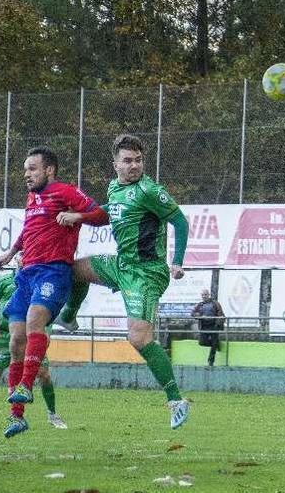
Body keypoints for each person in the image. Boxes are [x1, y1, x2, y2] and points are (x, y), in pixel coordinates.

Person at [52, 134, 191, 430]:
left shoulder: (150, 190)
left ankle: (176, 400)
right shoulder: (115, 188)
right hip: (121, 264)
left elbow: (180, 221)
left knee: (139, 337)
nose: (134, 165)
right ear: (115, 164)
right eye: (127, 160)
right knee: (75, 269)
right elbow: (107, 214)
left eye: (138, 160)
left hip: (146, 272)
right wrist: (80, 216)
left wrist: (177, 261)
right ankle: (69, 317)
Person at [0, 146, 108, 438]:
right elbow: (28, 229)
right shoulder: (32, 198)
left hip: (54, 271)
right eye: (25, 170)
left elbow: (101, 214)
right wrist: (10, 253)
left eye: (32, 169)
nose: (27, 175)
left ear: (49, 170)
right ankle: (16, 417)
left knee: (34, 321)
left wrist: (76, 218)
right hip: (27, 273)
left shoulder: (65, 191)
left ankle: (25, 386)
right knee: (15, 340)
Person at [0, 259, 67, 429]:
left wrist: (47, 331)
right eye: (21, 254)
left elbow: (45, 311)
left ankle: (52, 415)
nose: (24, 257)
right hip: (5, 335)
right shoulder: (4, 282)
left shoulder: (41, 279)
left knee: (44, 374)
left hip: (31, 336)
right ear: (16, 260)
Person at [191, 288, 224, 367]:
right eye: (202, 295)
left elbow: (221, 314)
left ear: (209, 295)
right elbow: (193, 313)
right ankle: (216, 344)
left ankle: (211, 361)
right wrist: (201, 316)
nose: (204, 296)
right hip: (204, 326)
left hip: (214, 326)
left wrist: (218, 323)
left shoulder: (215, 303)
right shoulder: (200, 305)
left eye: (205, 295)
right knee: (202, 342)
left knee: (213, 344)